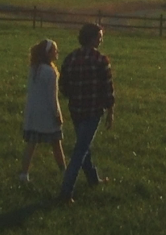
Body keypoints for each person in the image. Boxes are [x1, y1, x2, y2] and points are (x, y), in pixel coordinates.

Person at [58, 23, 114, 202]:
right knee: (80, 150)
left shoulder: (71, 58)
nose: (101, 40)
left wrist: (74, 96)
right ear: (92, 38)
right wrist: (110, 111)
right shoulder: (101, 60)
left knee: (84, 145)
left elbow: (63, 86)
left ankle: (93, 179)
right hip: (93, 111)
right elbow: (108, 89)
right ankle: (66, 191)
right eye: (99, 37)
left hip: (76, 110)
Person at [20, 38, 66, 182]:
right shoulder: (50, 72)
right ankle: (64, 171)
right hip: (47, 114)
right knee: (56, 142)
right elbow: (52, 97)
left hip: (33, 112)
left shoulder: (34, 69)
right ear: (47, 53)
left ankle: (24, 174)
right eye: (54, 50)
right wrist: (57, 114)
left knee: (31, 143)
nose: (57, 52)